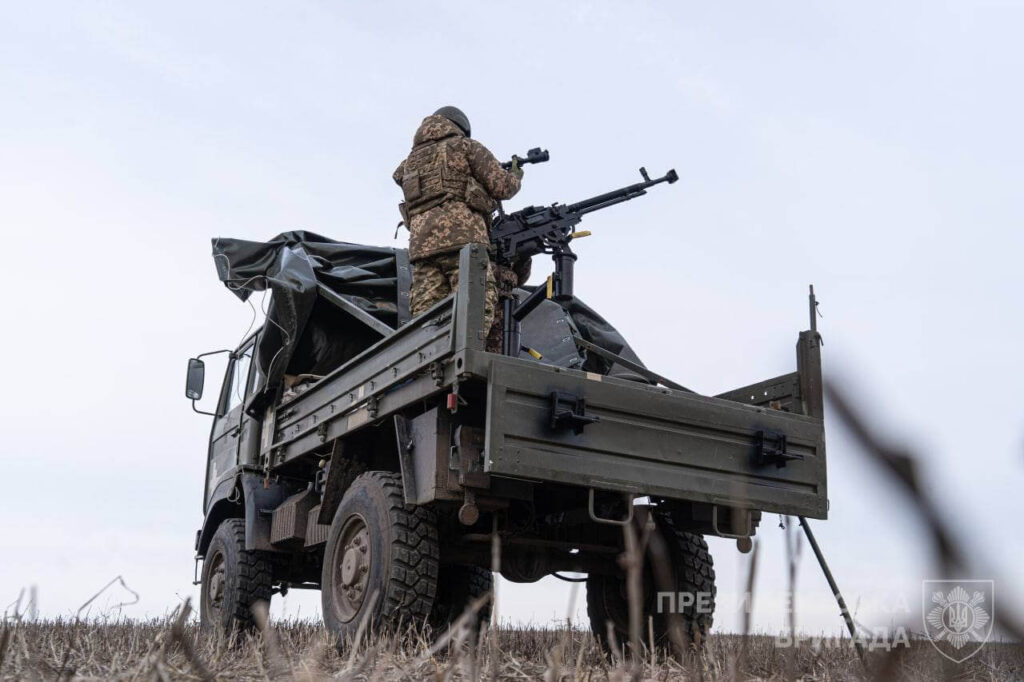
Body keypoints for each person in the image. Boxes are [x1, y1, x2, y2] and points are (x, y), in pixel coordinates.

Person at [393, 106, 522, 348]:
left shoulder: (409, 162)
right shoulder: (465, 147)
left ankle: (428, 361)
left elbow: (400, 178)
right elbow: (503, 187)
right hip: (463, 243)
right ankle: (465, 355)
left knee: (426, 314)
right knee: (474, 303)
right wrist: (515, 173)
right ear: (461, 128)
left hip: (421, 248)